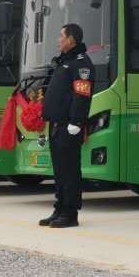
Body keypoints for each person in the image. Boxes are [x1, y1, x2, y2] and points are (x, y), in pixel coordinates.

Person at [37, 24, 93, 229]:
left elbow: (82, 95)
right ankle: (59, 208)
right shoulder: (65, 62)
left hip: (69, 126)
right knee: (59, 171)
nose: (58, 40)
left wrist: (77, 122)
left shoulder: (81, 64)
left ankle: (70, 213)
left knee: (69, 171)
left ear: (72, 39)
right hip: (56, 125)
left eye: (61, 36)